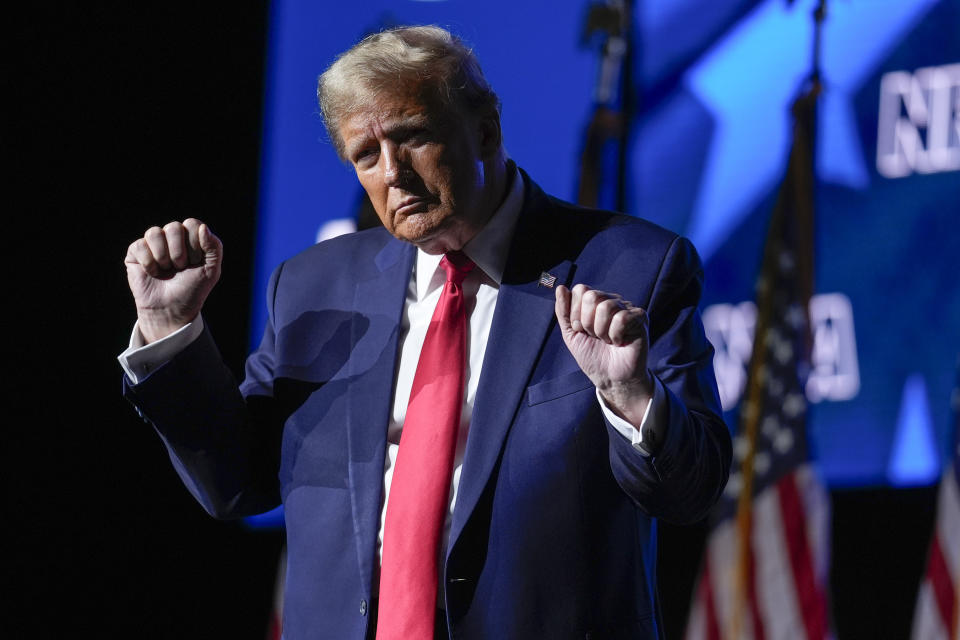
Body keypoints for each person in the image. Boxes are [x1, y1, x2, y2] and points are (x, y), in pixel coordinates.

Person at [120, 26, 730, 640]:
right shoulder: (311, 286)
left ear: (486, 129)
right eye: (366, 155)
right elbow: (237, 483)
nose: (393, 174)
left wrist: (629, 396)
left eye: (412, 137)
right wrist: (171, 330)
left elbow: (691, 492)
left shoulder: (635, 266)